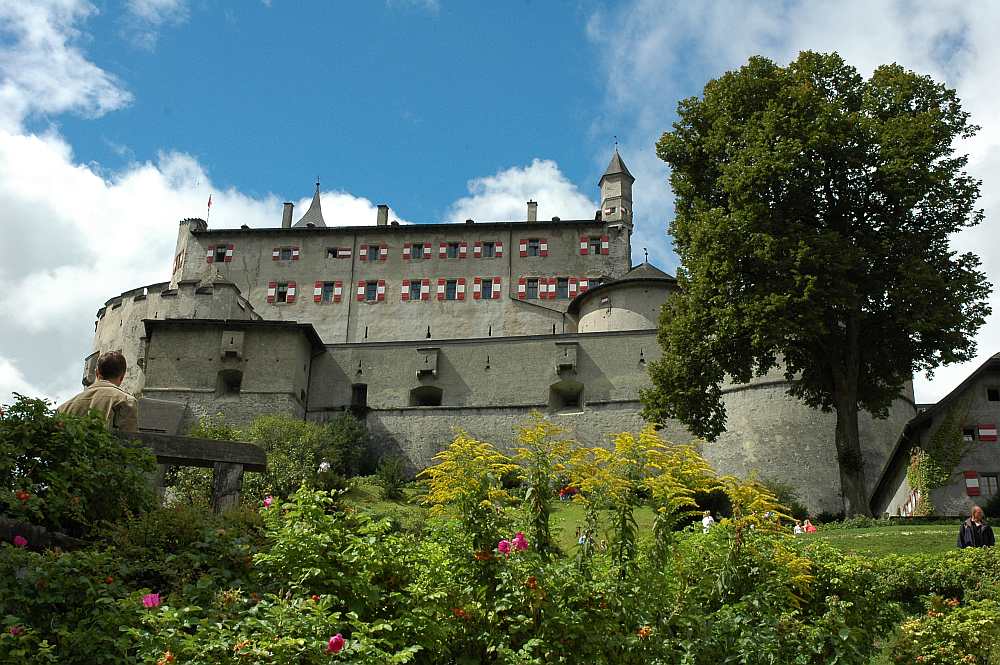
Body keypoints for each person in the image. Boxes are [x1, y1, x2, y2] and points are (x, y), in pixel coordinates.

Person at [58, 351, 138, 433]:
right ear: (122, 376)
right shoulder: (126, 401)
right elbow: (129, 441)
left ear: (97, 372)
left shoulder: (63, 408)